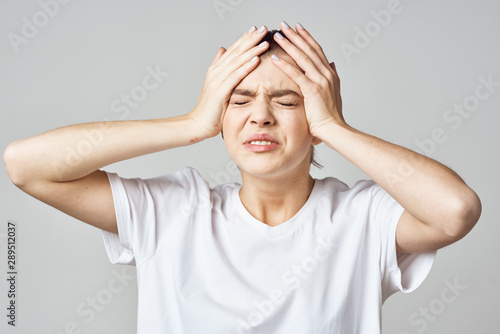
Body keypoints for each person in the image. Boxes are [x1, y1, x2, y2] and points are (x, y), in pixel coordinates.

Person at [3, 22, 481, 333]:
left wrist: (335, 126)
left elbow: (455, 210)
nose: (261, 117)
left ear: (314, 119)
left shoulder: (362, 218)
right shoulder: (172, 212)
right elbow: (26, 165)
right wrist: (189, 125)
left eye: (288, 101)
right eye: (240, 99)